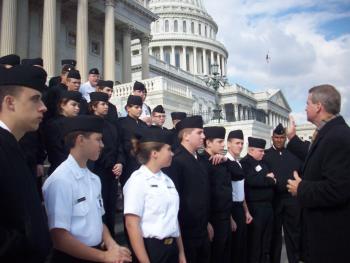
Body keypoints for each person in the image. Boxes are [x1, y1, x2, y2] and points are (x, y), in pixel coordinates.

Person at [42, 115, 132, 263]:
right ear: (81, 140)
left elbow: (97, 221)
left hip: (95, 253)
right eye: (98, 139)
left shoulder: (94, 179)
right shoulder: (61, 180)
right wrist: (104, 256)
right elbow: (59, 237)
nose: (102, 145)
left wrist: (112, 245)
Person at [286, 84, 350, 263]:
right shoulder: (329, 133)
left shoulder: (338, 137)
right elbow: (316, 156)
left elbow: (338, 189)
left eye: (307, 103)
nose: (305, 107)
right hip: (322, 234)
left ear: (318, 106)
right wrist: (292, 139)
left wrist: (301, 188)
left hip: (331, 239)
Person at [0, 64, 51, 262]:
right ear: (10, 102)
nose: (43, 107)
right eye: (35, 99)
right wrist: (30, 246)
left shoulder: (12, 145)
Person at [123, 128, 186, 263]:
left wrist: (181, 253)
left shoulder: (167, 180)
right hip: (152, 249)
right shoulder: (138, 180)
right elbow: (131, 224)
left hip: (172, 247)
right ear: (155, 153)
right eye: (168, 149)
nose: (172, 154)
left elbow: (173, 219)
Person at [165, 116, 211, 263]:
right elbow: (175, 200)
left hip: (202, 229)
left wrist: (207, 223)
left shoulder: (199, 159)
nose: (203, 136)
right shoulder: (176, 161)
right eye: (199, 133)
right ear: (186, 136)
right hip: (186, 231)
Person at [200, 126, 244, 263]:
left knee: (226, 255)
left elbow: (239, 174)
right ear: (208, 143)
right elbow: (204, 196)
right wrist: (206, 222)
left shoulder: (223, 161)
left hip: (225, 217)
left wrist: (226, 160)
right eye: (219, 142)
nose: (223, 144)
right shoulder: (202, 162)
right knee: (215, 256)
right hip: (212, 219)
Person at [89, 92, 125, 238]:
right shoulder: (89, 124)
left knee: (110, 206)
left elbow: (119, 146)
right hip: (97, 170)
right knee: (98, 207)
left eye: (106, 104)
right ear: (93, 106)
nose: (106, 107)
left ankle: (111, 238)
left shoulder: (111, 125)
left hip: (112, 172)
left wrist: (120, 162)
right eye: (102, 104)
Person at [264, 123, 302, 263]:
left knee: (293, 233)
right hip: (274, 199)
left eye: (282, 137)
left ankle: (294, 260)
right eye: (276, 137)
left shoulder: (293, 155)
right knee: (274, 235)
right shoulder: (265, 156)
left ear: (285, 138)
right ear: (272, 138)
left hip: (291, 200)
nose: (279, 140)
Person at [240, 137, 276, 263]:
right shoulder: (245, 163)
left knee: (266, 241)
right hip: (255, 208)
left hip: (267, 207)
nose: (263, 153)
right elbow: (251, 180)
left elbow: (272, 178)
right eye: (260, 151)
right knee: (255, 242)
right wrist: (268, 179)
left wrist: (266, 179)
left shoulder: (264, 163)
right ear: (251, 150)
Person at [225, 130, 253, 263]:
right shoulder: (225, 164)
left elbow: (241, 191)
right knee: (234, 250)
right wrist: (230, 217)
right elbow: (226, 194)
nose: (240, 146)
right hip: (231, 209)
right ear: (228, 144)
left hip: (240, 208)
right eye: (237, 143)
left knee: (242, 247)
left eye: (242, 143)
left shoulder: (238, 164)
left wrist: (246, 211)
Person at [44, 90, 82, 175]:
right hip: (61, 169)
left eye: (78, 106)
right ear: (63, 105)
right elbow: (56, 150)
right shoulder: (53, 124)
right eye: (73, 105)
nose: (77, 108)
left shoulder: (76, 123)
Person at [118, 95, 149, 187]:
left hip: (143, 164)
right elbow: (119, 144)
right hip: (128, 164)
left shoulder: (144, 125)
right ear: (128, 108)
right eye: (136, 107)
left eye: (141, 107)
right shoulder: (121, 123)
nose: (139, 110)